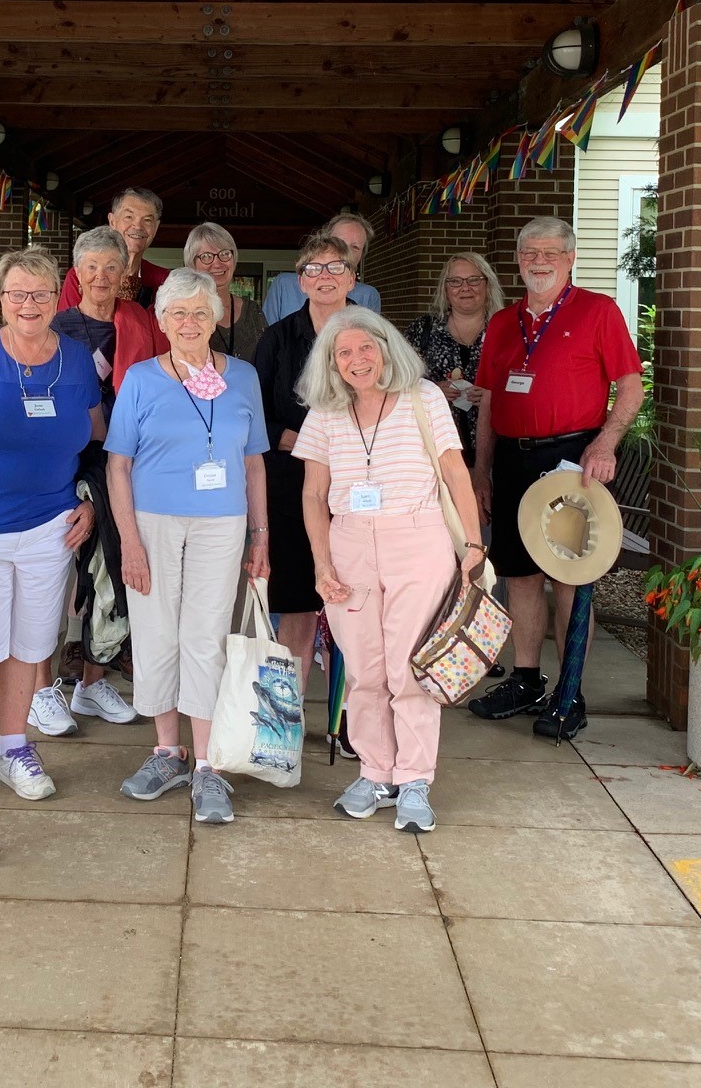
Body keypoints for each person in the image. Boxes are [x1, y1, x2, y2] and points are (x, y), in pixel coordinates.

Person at [296, 308, 484, 833]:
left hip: (416, 538)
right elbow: (313, 494)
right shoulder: (325, 412)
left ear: (386, 348)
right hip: (350, 541)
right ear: (331, 364)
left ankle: (415, 779)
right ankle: (377, 772)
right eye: (344, 353)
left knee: (409, 668)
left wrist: (472, 546)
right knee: (365, 670)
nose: (357, 360)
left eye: (365, 348)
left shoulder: (424, 398)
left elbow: (455, 472)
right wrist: (322, 563)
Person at [106, 268, 270, 825]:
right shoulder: (141, 379)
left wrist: (261, 534)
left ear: (217, 317)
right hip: (153, 522)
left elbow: (254, 462)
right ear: (162, 320)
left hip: (222, 523)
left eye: (201, 312)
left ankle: (208, 766)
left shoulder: (243, 377)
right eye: (178, 313)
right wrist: (128, 539)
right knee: (155, 628)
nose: (190, 322)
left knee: (204, 636)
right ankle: (165, 752)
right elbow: (118, 465)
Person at [469, 217, 644, 740]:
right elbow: (489, 403)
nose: (538, 261)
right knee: (519, 575)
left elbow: (630, 388)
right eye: (529, 252)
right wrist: (481, 470)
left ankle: (570, 690)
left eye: (549, 252)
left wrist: (605, 443)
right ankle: (525, 679)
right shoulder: (503, 322)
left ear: (570, 258)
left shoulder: (598, 311)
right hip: (513, 460)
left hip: (573, 459)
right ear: (518, 259)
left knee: (569, 578)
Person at [0, 248, 104, 805]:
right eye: (17, 293)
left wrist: (91, 500)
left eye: (39, 293)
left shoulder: (79, 360)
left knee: (28, 645)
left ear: (56, 296)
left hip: (51, 528)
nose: (29, 304)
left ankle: (13, 748)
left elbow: (96, 438)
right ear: (1, 298)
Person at [44, 225, 160, 732]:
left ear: (124, 274)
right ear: (77, 273)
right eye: (91, 267)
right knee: (55, 570)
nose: (101, 277)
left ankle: (91, 683)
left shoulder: (141, 322)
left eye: (111, 268)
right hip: (60, 457)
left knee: (109, 564)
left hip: (123, 457)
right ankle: (40, 688)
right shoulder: (54, 325)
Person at [250, 233, 358, 694]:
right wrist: (293, 437)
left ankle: (351, 712)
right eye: (314, 269)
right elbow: (254, 412)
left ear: (352, 277)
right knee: (296, 597)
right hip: (290, 481)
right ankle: (288, 710)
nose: (325, 277)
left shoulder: (369, 338)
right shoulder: (276, 339)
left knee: (354, 598)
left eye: (336, 267)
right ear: (300, 281)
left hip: (355, 482)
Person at [405, 251, 503, 455]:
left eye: (474, 280)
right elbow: (398, 381)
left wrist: (494, 397)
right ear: (445, 288)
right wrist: (431, 390)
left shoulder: (507, 329)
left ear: (488, 284)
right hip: (434, 449)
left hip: (498, 449)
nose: (465, 288)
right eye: (455, 281)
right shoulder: (423, 329)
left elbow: (525, 384)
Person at [57, 188, 168, 311]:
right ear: (112, 221)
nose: (137, 226)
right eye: (129, 217)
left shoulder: (164, 280)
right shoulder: (83, 276)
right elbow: (67, 327)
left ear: (156, 227)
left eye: (147, 220)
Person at [260, 212, 382, 323]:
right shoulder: (284, 285)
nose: (346, 252)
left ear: (362, 255)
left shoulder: (368, 295)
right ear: (322, 243)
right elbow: (266, 335)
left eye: (355, 247)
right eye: (339, 243)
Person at [187, 220, 267, 361]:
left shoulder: (253, 311)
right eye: (206, 256)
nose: (217, 264)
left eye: (224, 254)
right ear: (193, 264)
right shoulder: (183, 314)